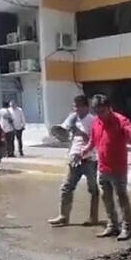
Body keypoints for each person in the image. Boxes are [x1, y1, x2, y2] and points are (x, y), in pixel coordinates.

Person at [80, 94, 131, 241]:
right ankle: (112, 226)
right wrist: (86, 149)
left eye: (102, 111)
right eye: (97, 112)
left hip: (118, 168)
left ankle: (127, 228)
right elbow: (92, 141)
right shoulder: (96, 123)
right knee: (106, 198)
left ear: (110, 108)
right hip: (102, 168)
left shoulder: (120, 120)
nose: (100, 115)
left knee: (121, 198)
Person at [48, 95, 99, 227]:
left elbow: (94, 141)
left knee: (93, 189)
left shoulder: (93, 121)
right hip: (74, 157)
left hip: (89, 159)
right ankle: (63, 216)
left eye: (78, 107)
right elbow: (64, 135)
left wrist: (79, 132)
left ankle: (93, 217)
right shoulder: (72, 118)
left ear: (85, 107)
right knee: (66, 187)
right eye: (74, 106)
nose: (75, 109)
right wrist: (60, 132)